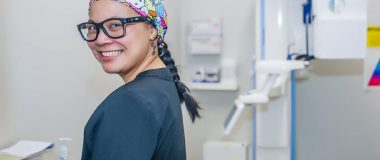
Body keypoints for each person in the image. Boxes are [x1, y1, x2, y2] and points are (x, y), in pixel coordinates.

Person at [76, 0, 201, 159]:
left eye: (115, 25)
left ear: (152, 30)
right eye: (93, 28)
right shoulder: (161, 84)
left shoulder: (131, 102)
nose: (100, 40)